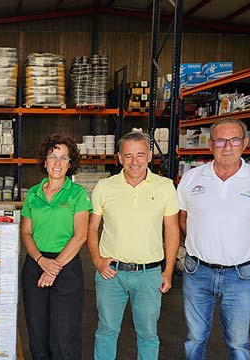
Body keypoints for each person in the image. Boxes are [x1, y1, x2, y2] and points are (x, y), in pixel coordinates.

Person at [177, 118, 250, 359]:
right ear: (210, 144)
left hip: (240, 275)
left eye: (234, 140)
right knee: (195, 338)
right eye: (221, 140)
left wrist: (247, 250)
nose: (227, 147)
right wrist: (199, 242)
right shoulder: (192, 178)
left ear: (244, 143)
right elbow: (183, 218)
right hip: (197, 271)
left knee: (238, 342)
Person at [87, 131, 179, 360]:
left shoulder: (165, 186)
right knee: (107, 330)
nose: (134, 161)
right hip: (111, 273)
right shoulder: (104, 187)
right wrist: (98, 261)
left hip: (149, 273)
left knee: (148, 333)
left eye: (140, 154)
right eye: (128, 155)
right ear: (119, 158)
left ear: (149, 156)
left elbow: (172, 230)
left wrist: (168, 271)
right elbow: (91, 229)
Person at [20, 133, 92, 359]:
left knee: (64, 333)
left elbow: (80, 236)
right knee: (37, 332)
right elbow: (26, 232)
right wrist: (42, 261)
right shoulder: (32, 194)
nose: (57, 163)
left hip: (66, 266)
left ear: (71, 164)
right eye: (52, 157)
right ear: (44, 161)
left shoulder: (77, 194)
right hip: (35, 264)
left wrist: (54, 268)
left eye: (63, 158)